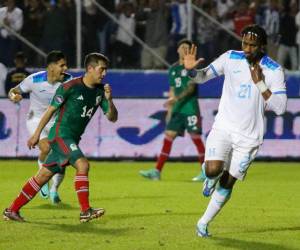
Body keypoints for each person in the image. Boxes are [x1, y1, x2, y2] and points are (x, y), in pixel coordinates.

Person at [182, 24, 287, 237]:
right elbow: (201, 77)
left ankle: (203, 223)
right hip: (224, 127)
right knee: (213, 170)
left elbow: (280, 108)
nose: (247, 49)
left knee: (228, 181)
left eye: (252, 45)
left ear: (262, 46)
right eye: (245, 43)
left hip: (249, 137)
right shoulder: (230, 58)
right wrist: (191, 70)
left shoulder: (274, 70)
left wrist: (261, 85)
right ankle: (208, 174)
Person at [3, 52, 118, 222]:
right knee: (82, 164)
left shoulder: (101, 92)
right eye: (102, 69)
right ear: (90, 68)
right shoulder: (70, 86)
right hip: (61, 136)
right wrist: (36, 134)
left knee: (42, 177)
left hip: (71, 138)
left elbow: (112, 117)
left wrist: (111, 100)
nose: (104, 73)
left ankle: (11, 210)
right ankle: (85, 210)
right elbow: (50, 110)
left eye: (106, 70)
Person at [7, 50, 71, 204]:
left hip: (57, 122)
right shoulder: (34, 80)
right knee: (46, 148)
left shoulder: (69, 81)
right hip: (35, 119)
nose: (66, 68)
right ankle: (41, 177)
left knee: (62, 159)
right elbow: (13, 91)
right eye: (62, 65)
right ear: (51, 67)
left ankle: (54, 189)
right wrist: (14, 96)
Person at [139, 39, 205, 181]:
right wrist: (170, 110)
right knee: (168, 136)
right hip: (177, 110)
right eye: (182, 47)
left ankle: (206, 172)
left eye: (187, 48)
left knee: (196, 139)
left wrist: (176, 99)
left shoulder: (192, 69)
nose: (184, 50)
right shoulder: (173, 69)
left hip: (190, 109)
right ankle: (157, 171)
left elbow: (191, 88)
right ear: (177, 50)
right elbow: (172, 90)